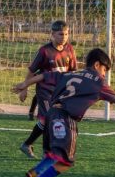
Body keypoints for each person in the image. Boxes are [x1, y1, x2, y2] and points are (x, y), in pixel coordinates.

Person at [13, 47, 115, 177]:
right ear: (97, 65)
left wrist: (25, 84)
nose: (104, 74)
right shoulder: (98, 82)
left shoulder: (70, 73)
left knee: (55, 154)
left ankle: (34, 173)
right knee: (66, 161)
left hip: (50, 115)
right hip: (66, 118)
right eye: (105, 70)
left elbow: (44, 76)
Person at [19, 20, 77, 159]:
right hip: (45, 91)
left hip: (61, 91)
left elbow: (73, 71)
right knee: (48, 119)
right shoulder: (44, 51)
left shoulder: (69, 49)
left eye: (66, 34)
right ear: (52, 34)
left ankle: (27, 144)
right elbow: (31, 71)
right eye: (60, 34)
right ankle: (47, 152)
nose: (64, 37)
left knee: (53, 121)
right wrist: (24, 88)